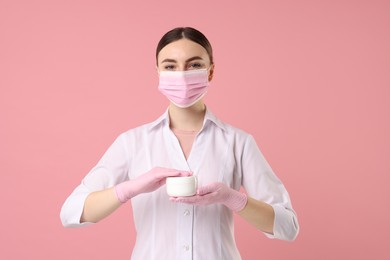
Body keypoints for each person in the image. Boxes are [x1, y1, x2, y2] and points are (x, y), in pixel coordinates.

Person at [60, 27, 299, 259]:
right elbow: (71, 212)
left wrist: (232, 198)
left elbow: (288, 226)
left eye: (194, 65)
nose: (182, 74)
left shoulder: (239, 143)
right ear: (158, 72)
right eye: (170, 66)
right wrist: (129, 189)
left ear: (211, 72)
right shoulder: (132, 143)